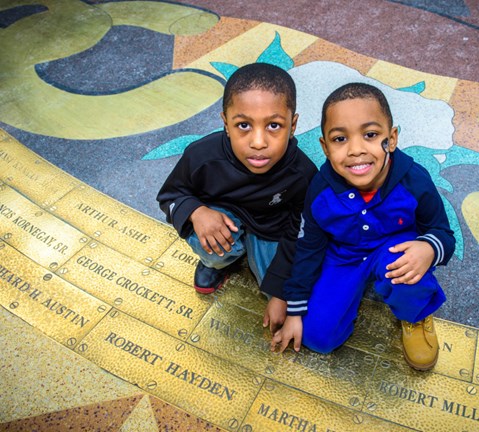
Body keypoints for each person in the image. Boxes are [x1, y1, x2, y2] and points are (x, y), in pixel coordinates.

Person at [271, 82, 455, 371]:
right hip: (345, 255)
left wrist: (429, 249)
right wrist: (295, 310)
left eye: (370, 135)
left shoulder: (414, 180)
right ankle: (347, 299)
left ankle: (415, 314)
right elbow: (307, 248)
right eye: (340, 139)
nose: (356, 150)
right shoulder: (319, 191)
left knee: (406, 267)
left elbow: (443, 233)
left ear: (391, 139)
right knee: (318, 338)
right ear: (325, 147)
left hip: (394, 249)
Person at [157, 63, 317, 332]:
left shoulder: (303, 174)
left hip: (271, 227)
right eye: (243, 125)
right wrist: (197, 211)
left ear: (293, 125)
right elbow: (171, 195)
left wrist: (278, 291)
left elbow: (299, 232)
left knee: (284, 295)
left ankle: (259, 261)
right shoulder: (202, 156)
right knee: (215, 247)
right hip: (223, 216)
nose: (258, 142)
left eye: (274, 125)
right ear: (225, 124)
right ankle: (214, 264)